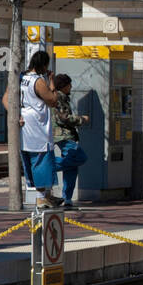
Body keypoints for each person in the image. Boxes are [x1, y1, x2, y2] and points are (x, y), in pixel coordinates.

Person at [2, 51, 61, 208]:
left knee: (29, 159)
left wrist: (16, 114)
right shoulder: (38, 81)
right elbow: (53, 100)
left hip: (22, 125)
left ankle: (47, 195)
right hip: (38, 126)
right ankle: (42, 197)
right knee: (41, 160)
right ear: (43, 65)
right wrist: (52, 82)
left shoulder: (19, 77)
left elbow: (5, 98)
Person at [50, 74, 89, 209]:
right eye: (69, 84)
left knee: (72, 168)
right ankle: (49, 166)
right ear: (64, 85)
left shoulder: (62, 97)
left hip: (66, 135)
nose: (71, 87)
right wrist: (81, 119)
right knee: (80, 157)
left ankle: (67, 199)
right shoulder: (59, 97)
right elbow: (63, 118)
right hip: (63, 136)